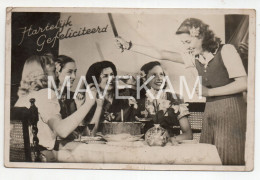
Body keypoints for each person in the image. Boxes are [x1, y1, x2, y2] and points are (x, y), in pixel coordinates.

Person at [115, 18, 247, 165]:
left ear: (201, 36)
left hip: (231, 110)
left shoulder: (226, 50)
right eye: (183, 43)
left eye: (187, 42)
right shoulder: (193, 57)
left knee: (228, 160)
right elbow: (160, 54)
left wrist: (210, 92)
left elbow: (243, 83)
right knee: (208, 158)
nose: (186, 47)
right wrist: (130, 45)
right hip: (211, 111)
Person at [15, 54, 96, 161]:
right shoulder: (45, 94)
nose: (57, 75)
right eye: (54, 71)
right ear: (43, 74)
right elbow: (62, 131)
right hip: (41, 159)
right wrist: (88, 103)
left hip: (22, 159)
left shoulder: (22, 98)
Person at [134, 61, 192, 142]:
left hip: (168, 145)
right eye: (154, 75)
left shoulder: (174, 98)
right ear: (144, 79)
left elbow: (188, 135)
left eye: (161, 74)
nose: (159, 78)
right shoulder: (138, 101)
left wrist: (167, 140)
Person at [82, 60, 136, 135]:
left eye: (112, 74)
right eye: (105, 76)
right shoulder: (90, 101)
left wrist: (133, 83)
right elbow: (89, 134)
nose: (111, 78)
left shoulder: (125, 95)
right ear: (95, 80)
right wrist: (99, 107)